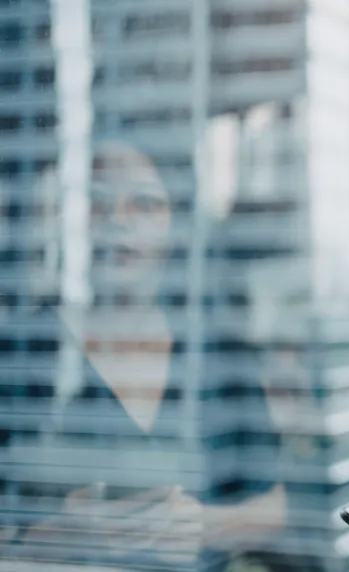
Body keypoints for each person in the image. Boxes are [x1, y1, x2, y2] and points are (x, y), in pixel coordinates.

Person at [2, 141, 287, 570]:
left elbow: (275, 507)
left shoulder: (217, 352)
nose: (117, 220)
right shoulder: (27, 347)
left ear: (177, 222)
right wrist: (62, 535)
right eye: (96, 201)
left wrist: (199, 526)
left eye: (144, 203)